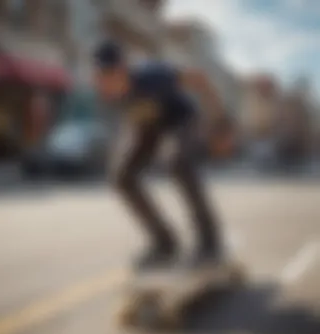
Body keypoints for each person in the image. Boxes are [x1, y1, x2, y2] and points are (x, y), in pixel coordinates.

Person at [92, 40, 225, 271]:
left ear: (123, 68)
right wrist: (123, 151)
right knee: (121, 176)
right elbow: (130, 120)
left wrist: (219, 122)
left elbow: (200, 79)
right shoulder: (106, 93)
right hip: (147, 128)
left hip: (180, 121)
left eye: (110, 74)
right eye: (100, 76)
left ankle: (209, 241)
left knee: (176, 161)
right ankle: (165, 242)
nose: (106, 83)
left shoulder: (152, 75)